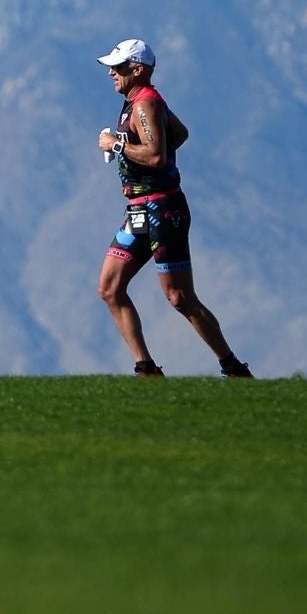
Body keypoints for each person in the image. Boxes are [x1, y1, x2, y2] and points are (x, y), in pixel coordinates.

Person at [90, 39, 252, 378]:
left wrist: (117, 144)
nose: (111, 73)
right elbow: (179, 133)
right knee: (109, 288)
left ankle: (233, 367)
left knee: (179, 297)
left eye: (118, 67)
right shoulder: (137, 102)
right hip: (139, 210)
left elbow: (156, 155)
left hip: (162, 210)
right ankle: (145, 369)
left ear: (138, 70)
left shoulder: (144, 104)